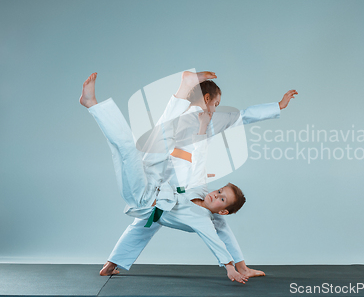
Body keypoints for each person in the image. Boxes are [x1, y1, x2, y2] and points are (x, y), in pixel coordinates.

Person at [97, 77, 298, 279]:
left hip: (175, 181)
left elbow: (241, 117)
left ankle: (110, 264)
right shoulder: (191, 116)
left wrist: (277, 106)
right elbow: (237, 119)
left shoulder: (199, 116)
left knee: (153, 221)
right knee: (205, 219)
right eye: (216, 104)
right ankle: (240, 267)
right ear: (208, 98)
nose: (216, 109)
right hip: (170, 180)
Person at [80, 71, 251, 283]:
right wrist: (202, 128)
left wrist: (232, 268)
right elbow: (199, 157)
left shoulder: (204, 220)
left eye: (221, 199)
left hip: (143, 197)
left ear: (222, 211)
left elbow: (214, 241)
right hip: (154, 180)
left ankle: (92, 104)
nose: (215, 195)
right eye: (219, 191)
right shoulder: (200, 191)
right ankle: (110, 265)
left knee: (125, 148)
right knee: (161, 132)